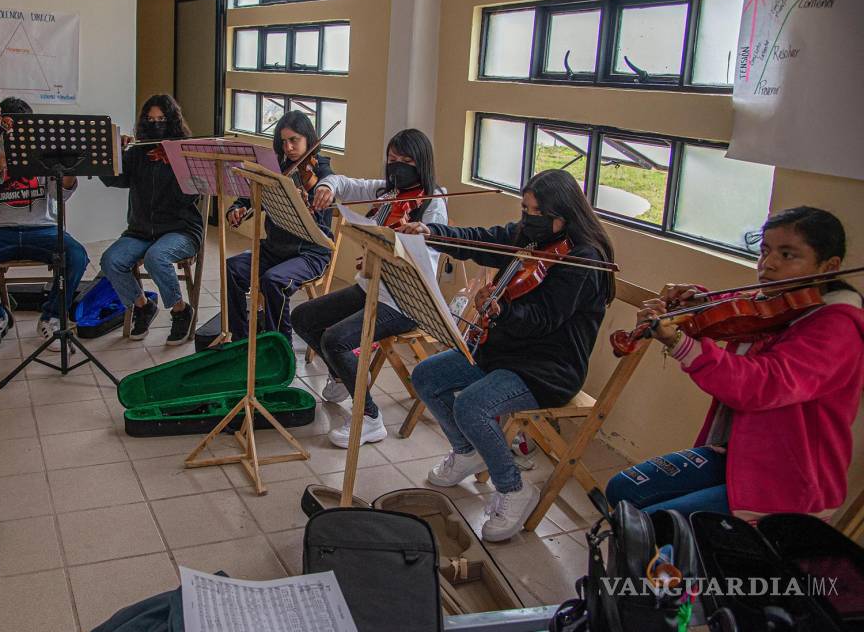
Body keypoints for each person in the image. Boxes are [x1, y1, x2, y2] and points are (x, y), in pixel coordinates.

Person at [606, 206, 863, 521]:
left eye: (788, 255)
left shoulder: (837, 329)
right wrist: (699, 304)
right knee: (622, 489)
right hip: (740, 452)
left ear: (829, 266)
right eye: (765, 251)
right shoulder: (779, 303)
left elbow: (761, 385)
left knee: (656, 524)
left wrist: (678, 343)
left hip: (788, 480)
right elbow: (736, 320)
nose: (768, 265)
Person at [403, 169, 616, 542]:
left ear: (562, 215)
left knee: (471, 405)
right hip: (505, 350)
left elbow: (544, 319)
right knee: (426, 376)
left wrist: (501, 311)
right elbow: (484, 240)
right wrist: (433, 234)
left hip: (548, 368)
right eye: (523, 208)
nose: (525, 219)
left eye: (533, 212)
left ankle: (515, 489)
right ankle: (467, 450)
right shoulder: (531, 236)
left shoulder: (585, 259)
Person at [292, 128, 447, 449]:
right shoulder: (384, 192)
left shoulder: (433, 203)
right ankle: (339, 375)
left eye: (406, 161)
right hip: (368, 289)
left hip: (404, 303)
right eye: (392, 160)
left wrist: (387, 251)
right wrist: (324, 184)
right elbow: (342, 182)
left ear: (422, 164)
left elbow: (425, 263)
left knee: (334, 340)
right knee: (303, 317)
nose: (397, 167)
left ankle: (370, 418)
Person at [0, 97, 82, 356]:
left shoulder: (45, 149)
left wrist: (69, 172)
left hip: (40, 228)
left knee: (77, 256)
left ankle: (52, 318)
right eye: (10, 127)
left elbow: (60, 195)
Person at [98, 94, 203, 344]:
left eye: (162, 119)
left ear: (173, 121)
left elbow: (191, 197)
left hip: (181, 229)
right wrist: (115, 152)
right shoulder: (137, 153)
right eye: (150, 119)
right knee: (110, 260)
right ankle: (143, 306)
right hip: (141, 230)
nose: (156, 124)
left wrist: (177, 164)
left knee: (157, 257)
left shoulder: (184, 154)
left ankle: (180, 310)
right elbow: (114, 180)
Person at [225, 110, 333, 340]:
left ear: (309, 140)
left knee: (273, 280)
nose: (288, 148)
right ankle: (242, 338)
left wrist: (304, 202)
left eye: (294, 140)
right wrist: (236, 209)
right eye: (283, 142)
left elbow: (322, 222)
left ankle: (279, 345)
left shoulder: (323, 173)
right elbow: (249, 196)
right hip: (275, 249)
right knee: (232, 268)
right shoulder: (276, 167)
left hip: (310, 253)